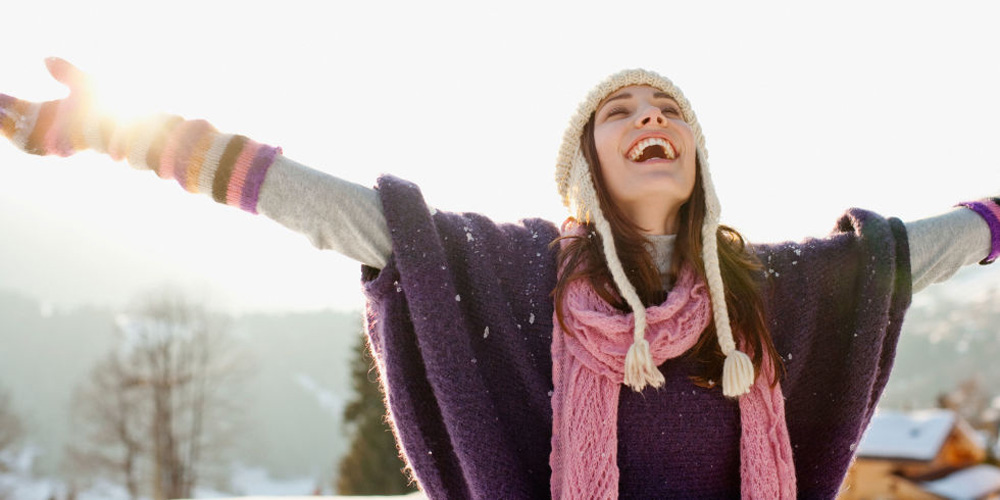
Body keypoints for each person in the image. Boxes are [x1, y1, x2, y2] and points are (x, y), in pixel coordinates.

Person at [1, 58, 995, 499]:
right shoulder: (519, 276)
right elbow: (338, 208)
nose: (649, 114)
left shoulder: (764, 293)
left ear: (694, 149)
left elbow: (916, 251)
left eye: (666, 106)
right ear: (588, 164)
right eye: (620, 110)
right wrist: (125, 135)